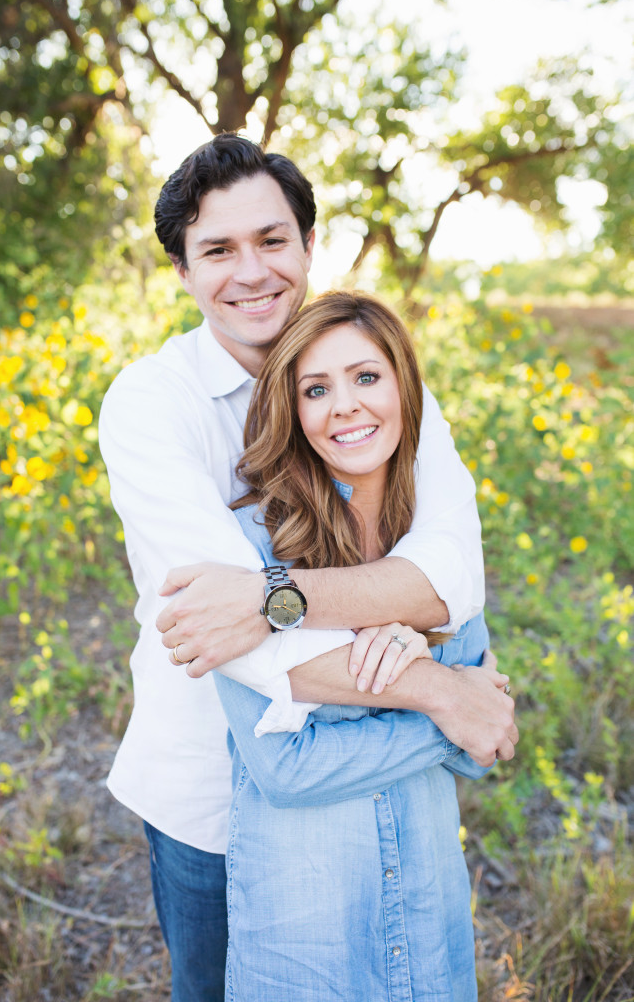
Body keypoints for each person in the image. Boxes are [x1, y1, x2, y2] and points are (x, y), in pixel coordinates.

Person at [98, 133, 517, 1002]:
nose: (251, 272)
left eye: (271, 240)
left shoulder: (373, 377)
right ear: (182, 270)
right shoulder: (150, 403)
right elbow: (232, 637)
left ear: (307, 245)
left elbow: (448, 574)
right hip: (212, 787)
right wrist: (445, 692)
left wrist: (270, 597)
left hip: (368, 796)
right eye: (218, 250)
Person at [212, 289, 492, 1000]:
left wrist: (462, 702)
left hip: (428, 911)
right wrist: (443, 698)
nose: (344, 406)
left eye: (365, 377)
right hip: (306, 928)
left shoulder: (434, 538)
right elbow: (284, 770)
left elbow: (484, 744)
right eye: (316, 388)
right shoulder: (250, 547)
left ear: (403, 385)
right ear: (294, 410)